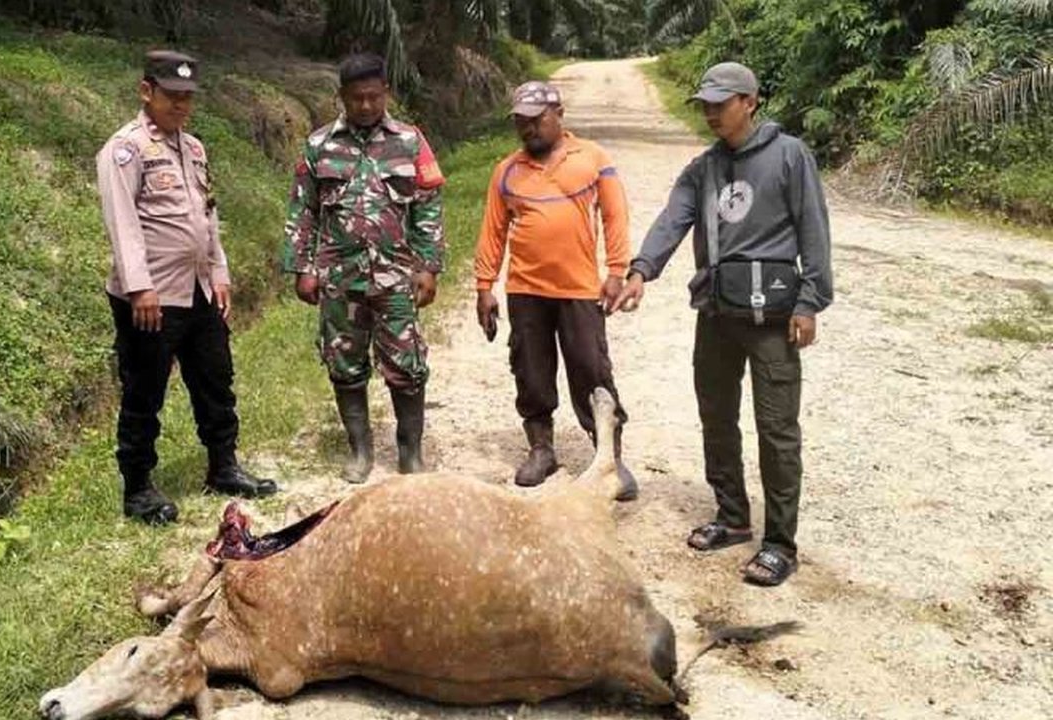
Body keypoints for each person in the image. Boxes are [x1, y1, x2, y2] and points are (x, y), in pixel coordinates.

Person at [621, 61, 833, 586]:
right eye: (707, 104)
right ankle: (733, 516)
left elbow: (814, 231)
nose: (712, 113)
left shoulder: (790, 156)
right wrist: (640, 270)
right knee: (716, 417)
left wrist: (810, 301)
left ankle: (780, 543)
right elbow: (672, 219)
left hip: (773, 319)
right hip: (716, 313)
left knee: (777, 431)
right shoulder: (704, 167)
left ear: (750, 101)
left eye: (722, 103)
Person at [97, 50, 278, 525]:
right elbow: (123, 224)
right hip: (152, 296)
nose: (180, 106)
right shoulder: (126, 149)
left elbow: (208, 215)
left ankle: (224, 465)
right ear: (146, 91)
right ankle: (138, 489)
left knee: (216, 379)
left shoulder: (193, 148)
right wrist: (140, 287)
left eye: (187, 98)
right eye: (171, 96)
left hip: (198, 289)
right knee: (144, 390)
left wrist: (220, 272)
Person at [282, 53, 446, 483]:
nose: (367, 106)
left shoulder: (411, 143)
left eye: (374, 97)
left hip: (395, 277)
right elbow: (304, 211)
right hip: (340, 278)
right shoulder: (319, 146)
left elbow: (428, 209)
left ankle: (410, 453)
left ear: (386, 93)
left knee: (406, 364)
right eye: (358, 99)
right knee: (344, 363)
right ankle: (360, 450)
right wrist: (302, 266)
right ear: (343, 98)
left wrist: (428, 266)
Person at [474, 80, 640, 501]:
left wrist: (617, 270)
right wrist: (484, 286)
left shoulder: (593, 159)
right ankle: (541, 449)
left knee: (591, 370)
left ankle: (610, 458)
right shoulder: (506, 171)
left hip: (580, 290)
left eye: (536, 119)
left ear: (558, 114)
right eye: (521, 122)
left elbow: (615, 216)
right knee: (531, 372)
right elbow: (493, 232)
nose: (529, 128)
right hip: (526, 290)